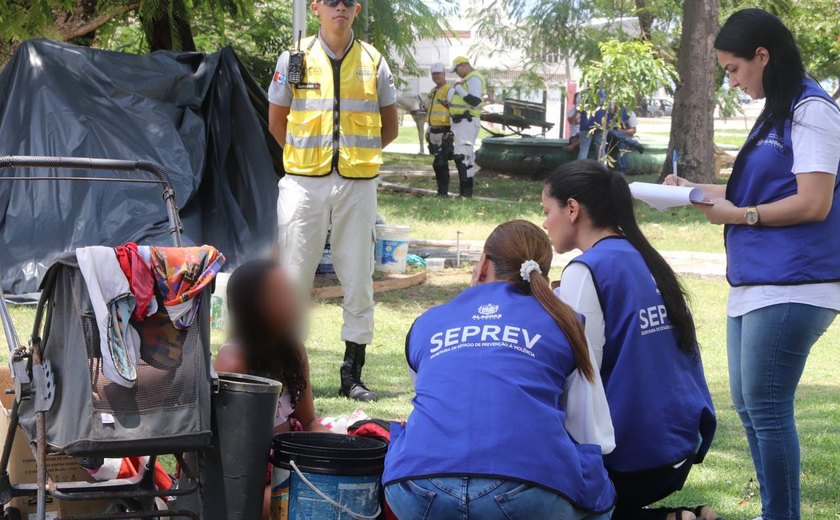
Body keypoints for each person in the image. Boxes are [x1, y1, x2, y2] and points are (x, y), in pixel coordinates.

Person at [665, 9, 840, 520]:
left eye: (734, 70)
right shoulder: (777, 110)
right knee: (750, 407)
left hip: (796, 282)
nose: (732, 81)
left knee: (767, 409)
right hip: (755, 280)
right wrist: (693, 194)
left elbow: (814, 202)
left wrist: (741, 213)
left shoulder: (812, 110)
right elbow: (757, 192)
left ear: (763, 55)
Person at [383, 220, 617, 520]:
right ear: (542, 273)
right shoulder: (566, 323)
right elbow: (592, 433)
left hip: (415, 486)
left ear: (483, 263)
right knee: (599, 493)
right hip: (526, 489)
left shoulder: (428, 322)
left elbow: (435, 399)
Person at [545, 161, 718, 520]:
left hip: (631, 459)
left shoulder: (586, 270)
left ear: (572, 209)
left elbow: (579, 378)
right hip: (680, 447)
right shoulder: (646, 256)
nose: (545, 223)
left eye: (547, 211)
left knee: (520, 493)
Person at [267, 0, 399, 402]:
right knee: (292, 278)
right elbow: (276, 120)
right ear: (316, 8)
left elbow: (389, 127)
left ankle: (352, 374)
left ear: (357, 9)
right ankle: (284, 373)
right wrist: (305, 159)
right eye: (331, 2)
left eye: (346, 2)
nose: (338, 8)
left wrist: (354, 161)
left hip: (357, 186)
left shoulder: (374, 61)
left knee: (358, 278)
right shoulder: (294, 58)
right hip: (304, 185)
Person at [214, 259, 329, 520]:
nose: (292, 301)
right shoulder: (234, 359)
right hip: (248, 479)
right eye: (279, 294)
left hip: (290, 461)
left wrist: (334, 450)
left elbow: (308, 420)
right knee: (308, 503)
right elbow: (235, 454)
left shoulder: (293, 350)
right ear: (253, 306)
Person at [446, 56, 485, 197]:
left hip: (466, 121)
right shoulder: (469, 79)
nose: (456, 73)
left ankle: (466, 194)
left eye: (457, 69)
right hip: (462, 122)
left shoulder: (473, 78)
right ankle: (465, 193)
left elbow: (474, 100)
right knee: (465, 157)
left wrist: (458, 88)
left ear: (464, 65)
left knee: (462, 157)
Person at [424, 62, 454, 196]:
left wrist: (451, 131)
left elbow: (454, 111)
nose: (436, 76)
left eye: (438, 73)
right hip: (433, 130)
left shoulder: (449, 90)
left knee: (442, 162)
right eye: (434, 74)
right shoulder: (433, 91)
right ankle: (440, 191)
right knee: (436, 163)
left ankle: (443, 192)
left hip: (444, 131)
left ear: (444, 74)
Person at [606, 104, 644, 174]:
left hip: (621, 139)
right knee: (612, 132)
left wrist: (621, 132)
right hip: (608, 138)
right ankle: (633, 143)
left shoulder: (629, 113)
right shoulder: (607, 113)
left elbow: (633, 131)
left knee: (621, 142)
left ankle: (621, 170)